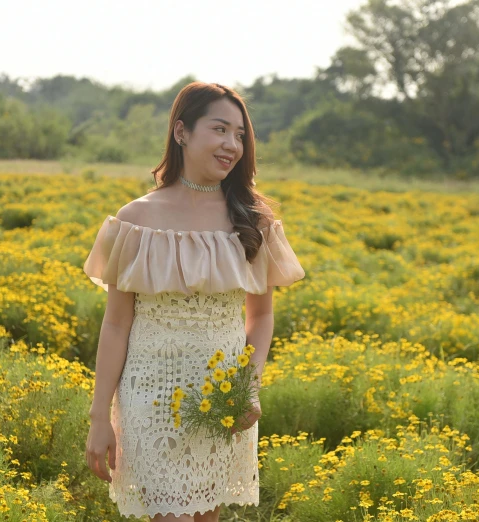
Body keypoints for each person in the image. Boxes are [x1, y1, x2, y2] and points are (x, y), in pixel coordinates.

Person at [83, 81, 305, 522]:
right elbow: (115, 325)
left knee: (206, 516)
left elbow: (260, 318)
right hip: (152, 398)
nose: (232, 145)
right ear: (181, 132)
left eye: (240, 135)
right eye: (220, 130)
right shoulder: (135, 220)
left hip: (222, 401)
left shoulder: (254, 220)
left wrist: (247, 387)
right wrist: (98, 417)